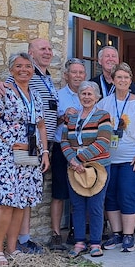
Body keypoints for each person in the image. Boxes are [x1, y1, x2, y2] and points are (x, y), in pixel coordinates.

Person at [0, 53, 50, 266]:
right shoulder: (3, 92)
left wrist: (45, 152)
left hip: (28, 155)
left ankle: (12, 248)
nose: (24, 70)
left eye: (28, 66)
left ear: (33, 70)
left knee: (22, 202)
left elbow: (41, 126)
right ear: (11, 70)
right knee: (5, 202)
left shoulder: (36, 96)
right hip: (5, 154)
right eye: (19, 66)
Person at [0, 39, 58, 254]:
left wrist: (45, 150)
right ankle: (7, 246)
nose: (47, 52)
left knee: (24, 196)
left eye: (50, 49)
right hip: (11, 149)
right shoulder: (11, 84)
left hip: (34, 148)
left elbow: (41, 121)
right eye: (42, 49)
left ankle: (16, 246)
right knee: (8, 198)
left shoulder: (44, 81)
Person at [96, 62, 135, 253]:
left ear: (130, 80)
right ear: (113, 79)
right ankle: (116, 233)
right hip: (108, 158)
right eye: (119, 77)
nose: (123, 80)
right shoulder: (104, 103)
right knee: (110, 197)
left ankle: (128, 236)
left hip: (130, 158)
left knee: (127, 195)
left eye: (126, 77)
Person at [61, 80, 111, 258]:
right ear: (78, 96)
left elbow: (103, 141)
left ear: (97, 97)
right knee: (77, 205)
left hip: (98, 167)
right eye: (83, 94)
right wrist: (73, 161)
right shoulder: (71, 117)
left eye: (90, 94)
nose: (87, 97)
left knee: (96, 205)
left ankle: (96, 243)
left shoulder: (103, 116)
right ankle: (80, 242)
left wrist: (80, 159)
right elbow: (64, 140)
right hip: (74, 168)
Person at [50, 58, 86, 250]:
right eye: (74, 72)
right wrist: (63, 117)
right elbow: (48, 125)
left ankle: (76, 231)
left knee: (80, 191)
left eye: (81, 72)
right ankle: (56, 234)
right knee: (59, 192)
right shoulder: (57, 96)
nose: (78, 76)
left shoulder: (89, 95)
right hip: (60, 149)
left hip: (82, 150)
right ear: (66, 75)